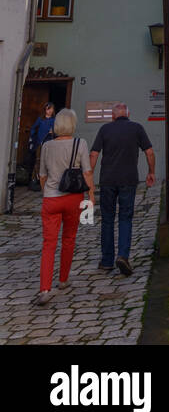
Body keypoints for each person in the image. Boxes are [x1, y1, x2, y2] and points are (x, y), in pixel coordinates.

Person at [35, 108, 95, 305]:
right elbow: (87, 172)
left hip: (51, 198)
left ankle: (44, 288)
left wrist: (47, 193)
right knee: (69, 239)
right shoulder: (81, 143)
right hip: (73, 198)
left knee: (48, 244)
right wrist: (91, 196)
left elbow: (42, 175)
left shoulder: (47, 146)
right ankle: (63, 280)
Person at [89, 103, 155, 276]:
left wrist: (88, 177)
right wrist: (151, 172)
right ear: (129, 114)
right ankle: (123, 256)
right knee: (125, 218)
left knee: (108, 219)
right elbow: (149, 152)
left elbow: (94, 154)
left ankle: (107, 261)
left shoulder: (105, 129)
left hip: (107, 180)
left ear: (113, 116)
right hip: (128, 179)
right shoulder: (137, 128)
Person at [27, 102, 56, 191]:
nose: (50, 111)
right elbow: (33, 128)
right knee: (38, 161)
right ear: (45, 110)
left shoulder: (54, 120)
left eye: (51, 109)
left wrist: (53, 132)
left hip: (50, 143)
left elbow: (58, 131)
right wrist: (33, 138)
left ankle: (47, 181)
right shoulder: (40, 119)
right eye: (48, 109)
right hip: (40, 143)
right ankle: (35, 180)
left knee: (48, 162)